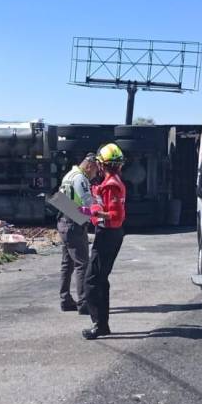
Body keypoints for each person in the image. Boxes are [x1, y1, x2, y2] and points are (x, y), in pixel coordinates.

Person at [82, 143, 127, 340]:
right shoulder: (111, 182)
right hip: (109, 234)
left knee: (92, 281)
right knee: (100, 279)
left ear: (101, 164)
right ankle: (102, 323)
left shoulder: (111, 185)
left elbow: (116, 216)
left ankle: (99, 324)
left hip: (108, 235)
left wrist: (93, 211)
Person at [57, 153, 99, 313]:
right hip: (74, 223)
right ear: (89, 166)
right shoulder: (80, 179)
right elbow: (88, 201)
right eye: (95, 171)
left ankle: (65, 299)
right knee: (82, 264)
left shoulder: (69, 175)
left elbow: (62, 199)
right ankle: (84, 302)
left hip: (63, 220)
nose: (95, 175)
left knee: (67, 264)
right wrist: (99, 209)